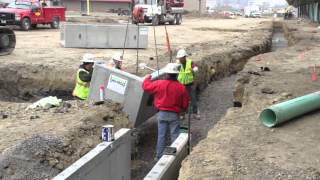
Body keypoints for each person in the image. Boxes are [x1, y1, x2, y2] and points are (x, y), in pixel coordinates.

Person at [142, 63, 189, 160]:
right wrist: (183, 112)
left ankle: (159, 156)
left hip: (162, 114)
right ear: (176, 74)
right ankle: (175, 157)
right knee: (175, 135)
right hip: (174, 115)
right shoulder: (181, 87)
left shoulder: (159, 83)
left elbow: (146, 86)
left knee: (161, 136)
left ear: (167, 74)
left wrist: (147, 78)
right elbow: (185, 104)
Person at [176, 49, 200, 120]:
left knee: (193, 98)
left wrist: (194, 69)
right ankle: (182, 113)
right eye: (179, 58)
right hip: (181, 85)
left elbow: (195, 67)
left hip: (190, 84)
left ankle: (195, 113)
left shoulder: (190, 62)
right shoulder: (178, 64)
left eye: (181, 58)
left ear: (184, 57)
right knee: (181, 100)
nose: (180, 59)